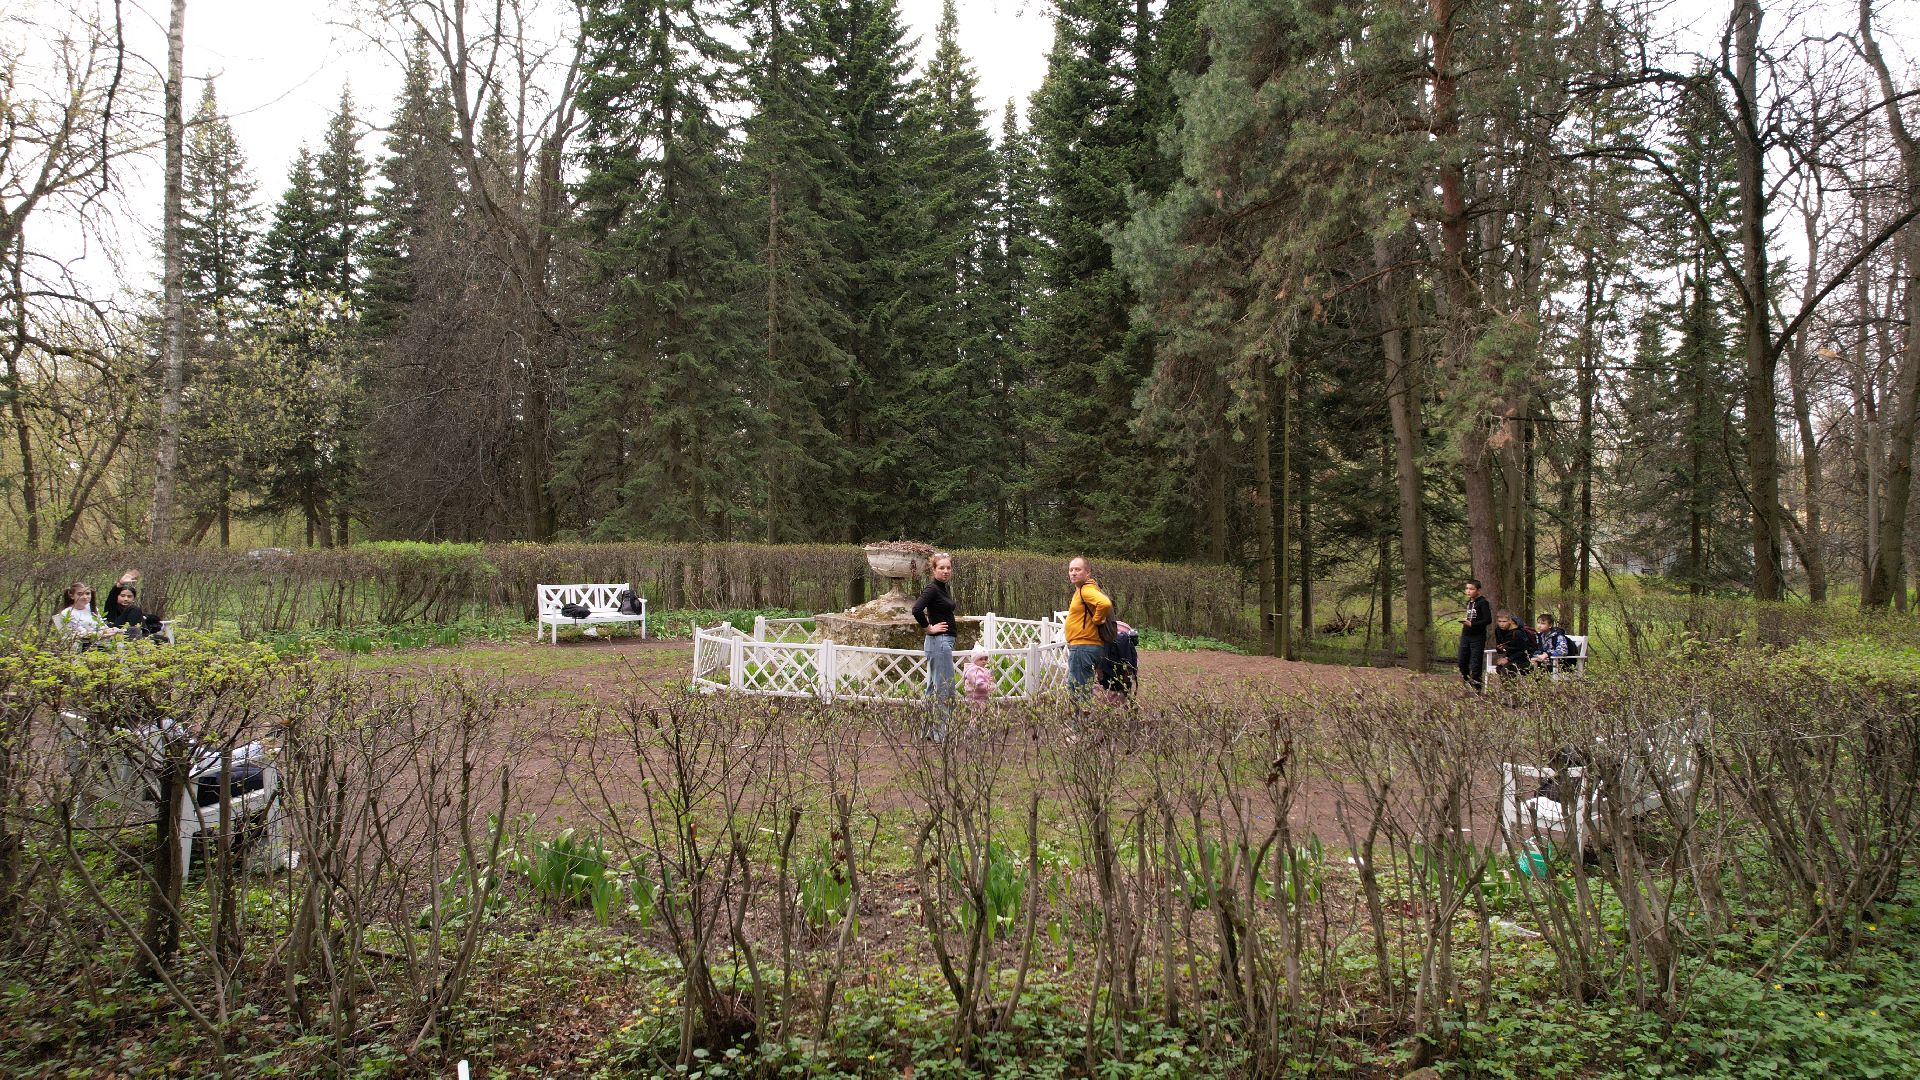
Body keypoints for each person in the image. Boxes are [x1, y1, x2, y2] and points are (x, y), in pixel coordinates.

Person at [911, 552, 959, 738]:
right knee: (945, 688)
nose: (946, 571)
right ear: (934, 569)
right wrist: (928, 628)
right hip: (939, 642)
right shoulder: (932, 589)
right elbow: (916, 609)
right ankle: (940, 734)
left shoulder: (943, 588)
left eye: (948, 567)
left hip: (940, 643)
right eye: (941, 568)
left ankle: (929, 732)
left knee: (934, 687)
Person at [1064, 556, 1114, 701]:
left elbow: (1105, 603)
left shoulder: (1086, 590)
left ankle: (1079, 723)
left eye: (1078, 569)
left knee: (1079, 691)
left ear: (1088, 573)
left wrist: (1097, 619)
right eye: (1071, 570)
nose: (1073, 573)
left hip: (1083, 647)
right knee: (1078, 688)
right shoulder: (1084, 589)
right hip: (1085, 646)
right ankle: (1079, 721)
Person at [51, 582, 121, 649]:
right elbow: (81, 634)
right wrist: (102, 634)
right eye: (80, 594)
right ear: (72, 596)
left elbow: (102, 625)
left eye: (88, 594)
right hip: (84, 646)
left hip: (102, 642)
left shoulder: (91, 608)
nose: (85, 597)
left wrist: (111, 630)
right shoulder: (68, 613)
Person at [1458, 578, 1493, 689]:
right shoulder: (1469, 602)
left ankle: (1477, 690)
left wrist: (1472, 624)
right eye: (1467, 589)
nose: (1468, 591)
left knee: (1475, 664)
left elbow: (1488, 620)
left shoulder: (1483, 602)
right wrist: (1465, 623)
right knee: (1462, 662)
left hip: (1477, 637)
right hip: (1466, 635)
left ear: (1478, 590)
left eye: (1471, 589)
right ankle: (1467, 683)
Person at [1491, 609, 1534, 678]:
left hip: (1525, 659)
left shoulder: (1518, 632)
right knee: (1499, 668)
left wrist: (1508, 659)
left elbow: (1524, 651)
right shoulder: (1498, 630)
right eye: (1499, 621)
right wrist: (1499, 649)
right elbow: (1500, 648)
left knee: (1506, 670)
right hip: (1511, 657)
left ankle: (1511, 688)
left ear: (1510, 621)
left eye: (1504, 621)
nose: (1501, 624)